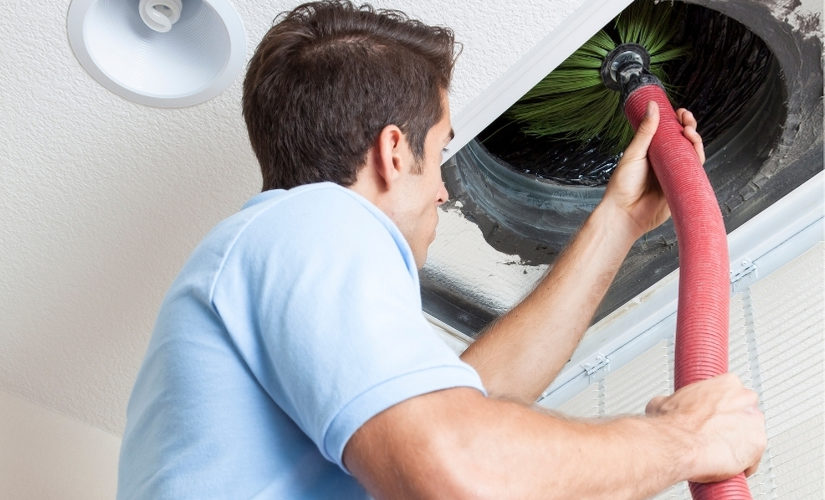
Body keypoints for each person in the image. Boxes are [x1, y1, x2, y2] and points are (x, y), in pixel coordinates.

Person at [117, 1, 766, 498]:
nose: (445, 193)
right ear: (393, 151)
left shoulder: (277, 250)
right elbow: (457, 462)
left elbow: (469, 404)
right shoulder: (314, 219)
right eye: (441, 153)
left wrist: (617, 221)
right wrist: (681, 440)